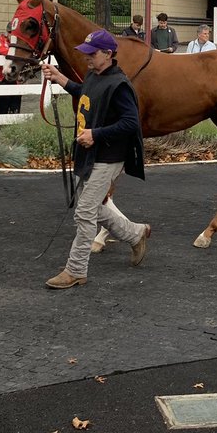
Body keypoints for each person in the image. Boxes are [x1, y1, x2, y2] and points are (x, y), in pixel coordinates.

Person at [40, 29, 149, 289]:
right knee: (92, 208)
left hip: (108, 157)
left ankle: (76, 270)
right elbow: (86, 93)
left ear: (108, 54)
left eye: (92, 53)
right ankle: (135, 233)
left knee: (85, 213)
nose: (87, 57)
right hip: (91, 154)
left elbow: (132, 123)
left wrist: (96, 134)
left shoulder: (120, 85)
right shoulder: (94, 75)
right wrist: (60, 79)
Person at [0, 33, 22, 114]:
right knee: (2, 107)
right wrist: (16, 53)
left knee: (15, 107)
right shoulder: (1, 38)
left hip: (16, 78)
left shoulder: (21, 41)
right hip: (2, 78)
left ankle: (14, 125)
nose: (13, 36)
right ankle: (1, 126)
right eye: (11, 33)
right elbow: (1, 49)